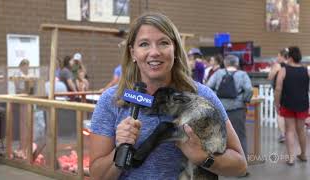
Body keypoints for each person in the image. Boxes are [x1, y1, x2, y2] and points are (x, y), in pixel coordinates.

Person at [89, 12, 247, 180]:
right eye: (144, 44)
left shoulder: (202, 96)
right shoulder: (112, 100)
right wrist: (120, 149)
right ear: (133, 52)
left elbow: (240, 166)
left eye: (163, 43)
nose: (154, 52)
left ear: (175, 50)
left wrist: (204, 157)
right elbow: (97, 175)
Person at [207, 55, 253, 158]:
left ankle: (221, 164)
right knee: (240, 136)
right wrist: (244, 100)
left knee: (218, 136)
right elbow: (249, 90)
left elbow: (208, 87)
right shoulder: (242, 74)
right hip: (237, 109)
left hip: (219, 110)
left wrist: (216, 98)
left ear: (225, 63)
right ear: (237, 64)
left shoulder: (218, 73)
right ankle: (242, 165)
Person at [274, 46, 309, 165]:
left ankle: (291, 158)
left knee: (289, 130)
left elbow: (278, 89)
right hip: (303, 104)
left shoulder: (284, 70)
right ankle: (303, 155)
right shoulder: (306, 70)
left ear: (289, 57)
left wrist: (276, 103)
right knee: (301, 129)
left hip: (287, 103)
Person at [267, 48, 289, 143]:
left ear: (281, 56)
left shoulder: (278, 66)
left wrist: (272, 68)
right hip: (290, 91)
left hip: (280, 92)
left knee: (280, 113)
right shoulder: (291, 65)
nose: (277, 57)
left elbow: (270, 77)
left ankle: (283, 134)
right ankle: (289, 133)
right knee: (289, 114)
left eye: (278, 56)